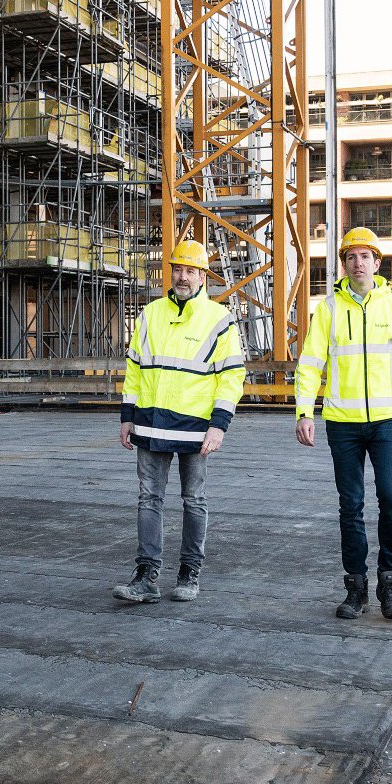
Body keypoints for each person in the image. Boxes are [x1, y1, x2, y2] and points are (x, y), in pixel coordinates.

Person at [293, 227, 392, 620]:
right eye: (351, 256)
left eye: (365, 256)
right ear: (344, 264)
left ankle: (389, 584)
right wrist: (304, 411)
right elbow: (311, 363)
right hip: (342, 423)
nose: (358, 262)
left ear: (377, 263)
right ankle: (356, 588)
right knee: (350, 505)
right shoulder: (329, 309)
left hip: (386, 421)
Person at [115, 240, 245, 604]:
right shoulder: (150, 314)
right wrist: (127, 416)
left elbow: (232, 376)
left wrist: (219, 425)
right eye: (178, 269)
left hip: (196, 427)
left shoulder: (218, 319)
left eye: (190, 270)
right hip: (152, 425)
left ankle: (189, 573)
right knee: (148, 498)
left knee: (194, 500)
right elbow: (135, 370)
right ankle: (146, 576)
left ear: (203, 276)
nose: (182, 276)